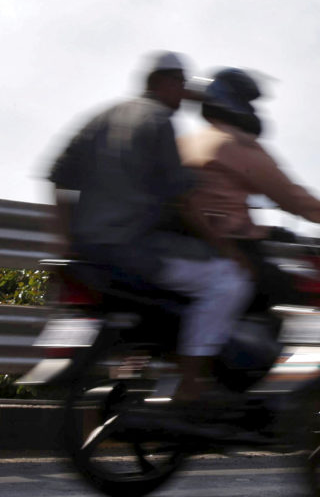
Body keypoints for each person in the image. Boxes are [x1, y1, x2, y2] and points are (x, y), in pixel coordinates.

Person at [48, 51, 253, 404]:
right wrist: (227, 249)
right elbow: (184, 199)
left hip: (88, 250)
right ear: (165, 83)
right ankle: (191, 383)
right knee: (228, 281)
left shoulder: (102, 116)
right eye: (181, 85)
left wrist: (66, 238)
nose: (185, 95)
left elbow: (59, 179)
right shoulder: (158, 121)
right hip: (132, 249)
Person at [177, 67, 320, 298]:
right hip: (229, 244)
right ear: (233, 101)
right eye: (249, 102)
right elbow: (293, 199)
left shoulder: (186, 141)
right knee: (307, 290)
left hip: (192, 240)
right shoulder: (234, 144)